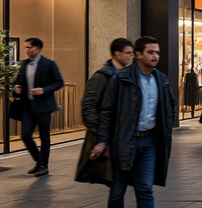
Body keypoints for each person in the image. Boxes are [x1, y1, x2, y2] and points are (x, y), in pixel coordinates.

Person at [91, 36, 176, 208]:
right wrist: (103, 141)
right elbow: (107, 112)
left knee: (145, 189)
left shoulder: (162, 79)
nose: (155, 56)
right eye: (150, 52)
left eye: (157, 52)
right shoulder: (120, 80)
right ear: (138, 54)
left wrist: (165, 133)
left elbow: (170, 106)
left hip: (149, 142)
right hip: (124, 142)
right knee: (117, 191)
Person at [76, 38, 135, 187]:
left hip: (121, 136)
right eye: (128, 53)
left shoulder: (127, 75)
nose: (131, 56)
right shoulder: (101, 77)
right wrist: (100, 134)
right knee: (114, 183)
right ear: (117, 54)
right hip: (106, 135)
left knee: (121, 182)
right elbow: (88, 105)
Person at [10, 37, 64, 177]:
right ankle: (39, 161)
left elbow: (59, 82)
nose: (27, 50)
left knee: (44, 137)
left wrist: (44, 90)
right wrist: (16, 88)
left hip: (44, 106)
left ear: (38, 49)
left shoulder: (49, 64)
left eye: (29, 47)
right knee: (25, 135)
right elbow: (17, 82)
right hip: (27, 106)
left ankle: (43, 165)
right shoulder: (24, 64)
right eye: (26, 47)